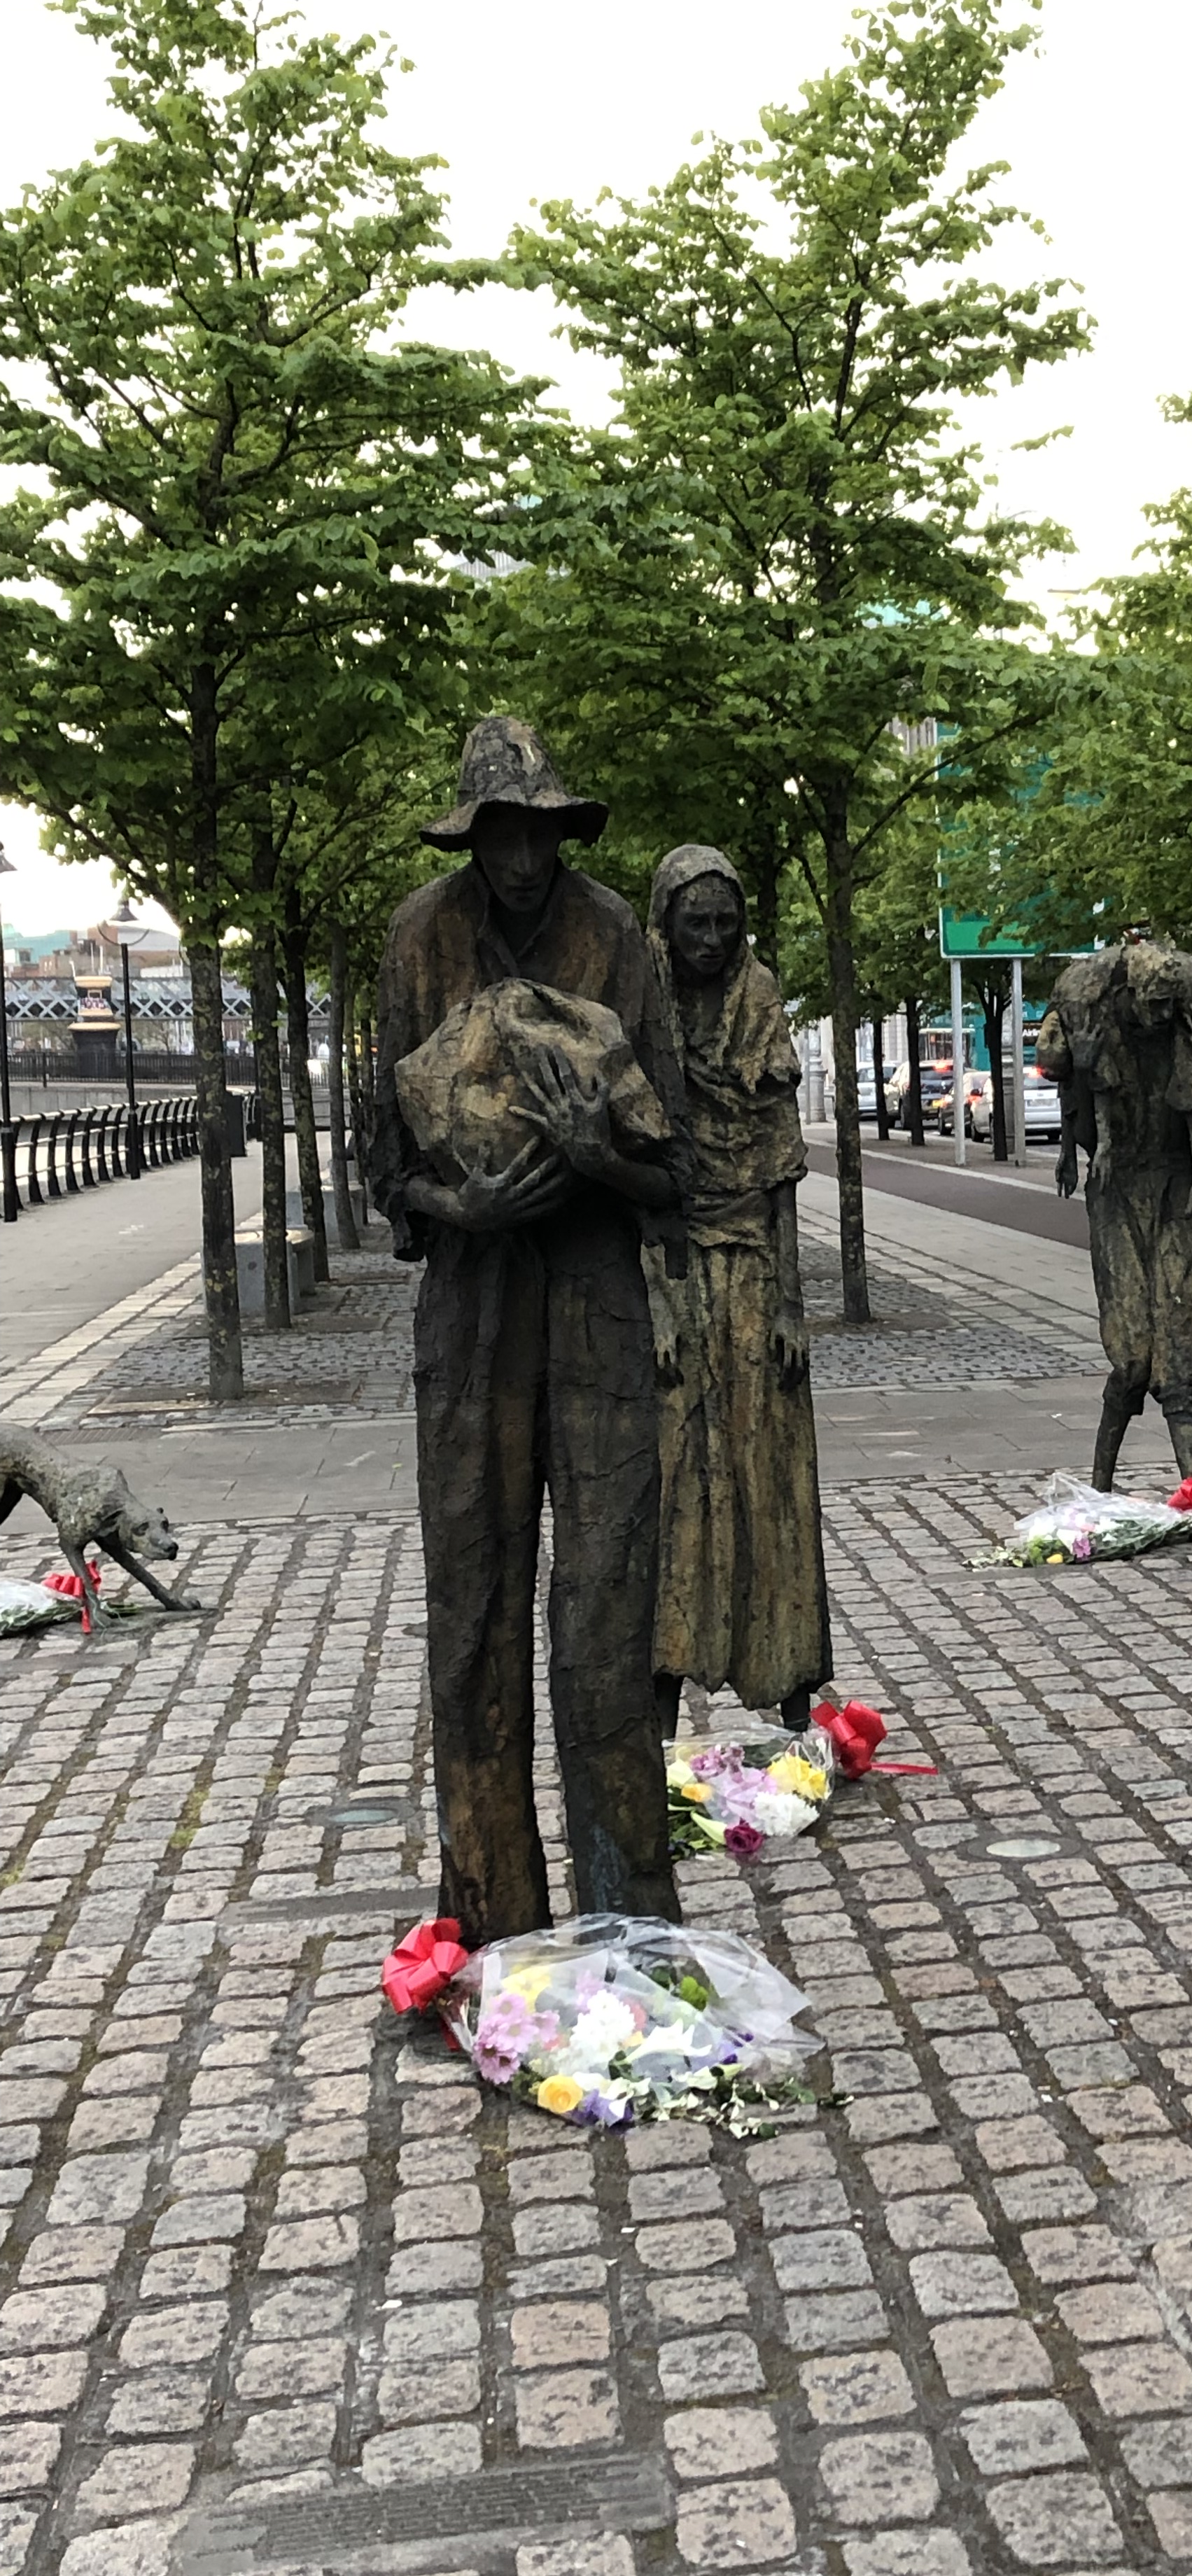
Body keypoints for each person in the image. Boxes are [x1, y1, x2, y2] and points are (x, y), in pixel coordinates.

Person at [370, 717, 689, 1942]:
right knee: (473, 1615)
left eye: (536, 836)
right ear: (472, 836)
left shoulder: (616, 936)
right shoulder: (419, 936)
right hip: (472, 1313)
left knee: (606, 1620)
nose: (518, 861)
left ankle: (629, 1917)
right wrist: (464, 1204)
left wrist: (598, 1156)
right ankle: (491, 1913)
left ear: (560, 833)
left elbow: (678, 1173)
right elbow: (382, 1164)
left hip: (598, 1308)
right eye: (498, 837)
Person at [645, 846, 830, 1736]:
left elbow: (782, 1168)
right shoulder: (644, 1004)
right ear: (666, 922)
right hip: (674, 1265)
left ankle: (788, 1676)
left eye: (726, 922)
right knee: (677, 1477)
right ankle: (665, 1678)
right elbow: (636, 1171)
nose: (712, 939)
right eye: (696, 922)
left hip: (754, 1266)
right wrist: (657, 1300)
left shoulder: (759, 1002)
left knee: (771, 1473)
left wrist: (791, 1303)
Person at [1039, 931, 1192, 1490]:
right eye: (1153, 1005)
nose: (1162, 1016)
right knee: (1132, 1354)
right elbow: (1063, 1074)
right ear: (1130, 995)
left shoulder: (1182, 1027)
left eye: (1169, 1005)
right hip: (1116, 1188)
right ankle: (1100, 1485)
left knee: (1181, 1340)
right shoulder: (1095, 1016)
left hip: (1171, 1185)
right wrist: (1072, 1142)